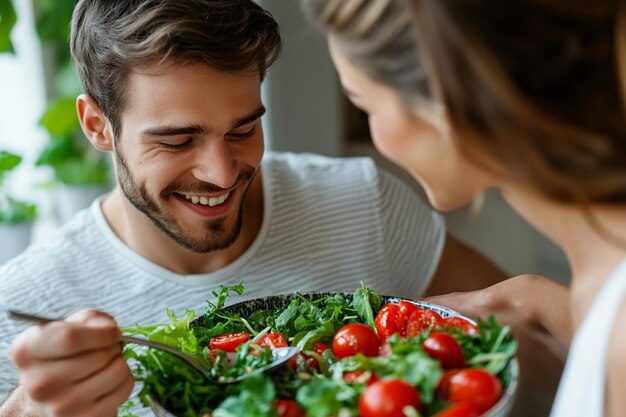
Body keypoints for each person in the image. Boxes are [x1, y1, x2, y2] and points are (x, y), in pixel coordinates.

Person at [0, 1, 506, 417]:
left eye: (243, 130)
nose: (221, 174)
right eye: (177, 141)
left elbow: (513, 342)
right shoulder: (22, 307)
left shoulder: (362, 201)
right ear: (97, 126)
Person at [301, 1, 626, 417]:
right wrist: (539, 301)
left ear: (445, 103)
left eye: (367, 106)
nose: (374, 134)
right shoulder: (601, 275)